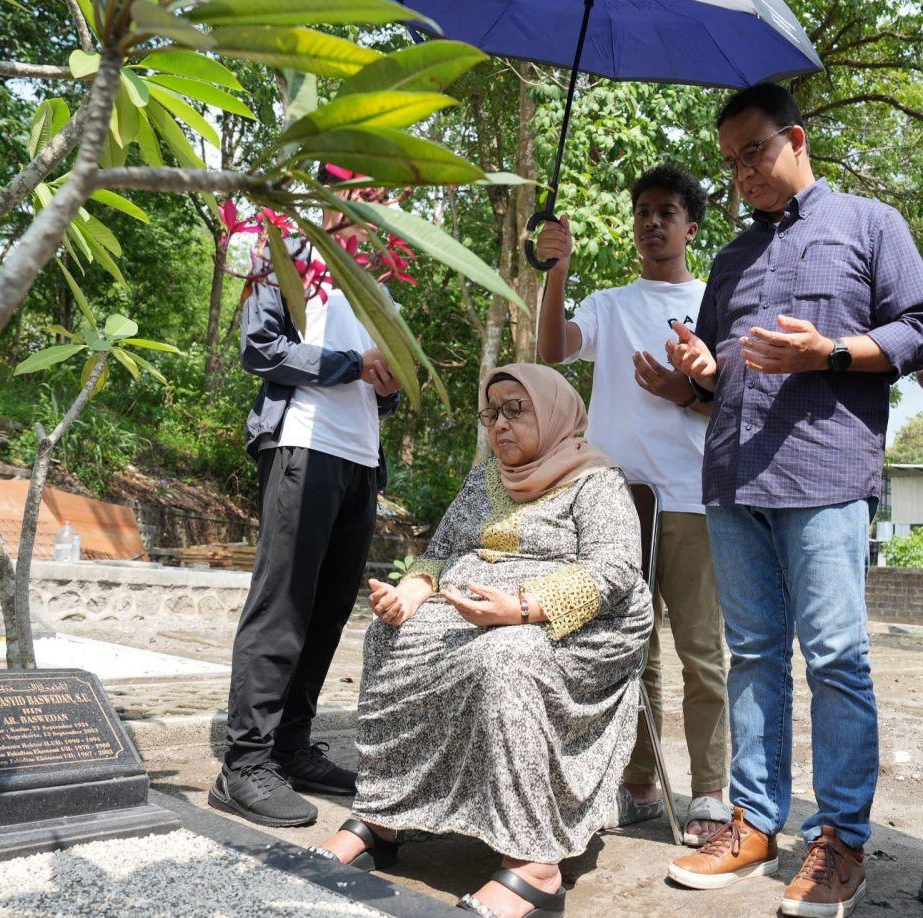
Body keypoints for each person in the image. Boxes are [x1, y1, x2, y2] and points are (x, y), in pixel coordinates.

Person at [665, 83, 923, 917]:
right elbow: (713, 371)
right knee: (753, 654)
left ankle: (841, 839)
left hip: (823, 474)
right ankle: (753, 821)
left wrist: (832, 353)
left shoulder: (870, 225)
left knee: (839, 656)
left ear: (797, 139)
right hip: (734, 477)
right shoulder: (732, 259)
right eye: (730, 162)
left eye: (754, 153)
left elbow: (916, 325)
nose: (741, 174)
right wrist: (700, 375)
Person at [311, 363, 652, 918]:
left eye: (516, 409)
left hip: (568, 622)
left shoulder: (596, 478)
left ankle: (533, 864)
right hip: (473, 609)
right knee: (390, 637)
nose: (499, 425)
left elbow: (615, 570)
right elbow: (442, 550)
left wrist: (521, 609)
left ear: (555, 411)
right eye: (491, 413)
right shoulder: (487, 477)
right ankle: (385, 814)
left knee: (505, 658)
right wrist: (414, 589)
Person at [536, 164, 730, 845]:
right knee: (627, 647)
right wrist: (555, 268)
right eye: (643, 210)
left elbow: (733, 399)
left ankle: (710, 795)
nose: (653, 221)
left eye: (667, 211)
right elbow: (548, 349)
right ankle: (638, 785)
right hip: (615, 499)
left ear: (691, 226)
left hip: (694, 498)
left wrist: (684, 387)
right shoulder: (610, 302)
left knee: (702, 651)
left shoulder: (715, 303)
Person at [208, 167, 401, 828]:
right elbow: (261, 349)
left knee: (327, 610)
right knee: (283, 603)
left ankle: (290, 747)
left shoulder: (375, 282)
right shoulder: (286, 250)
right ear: (328, 193)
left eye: (380, 196)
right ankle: (244, 762)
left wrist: (390, 379)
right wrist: (353, 365)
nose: (374, 204)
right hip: (302, 441)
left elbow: (389, 384)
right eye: (363, 190)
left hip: (360, 456)